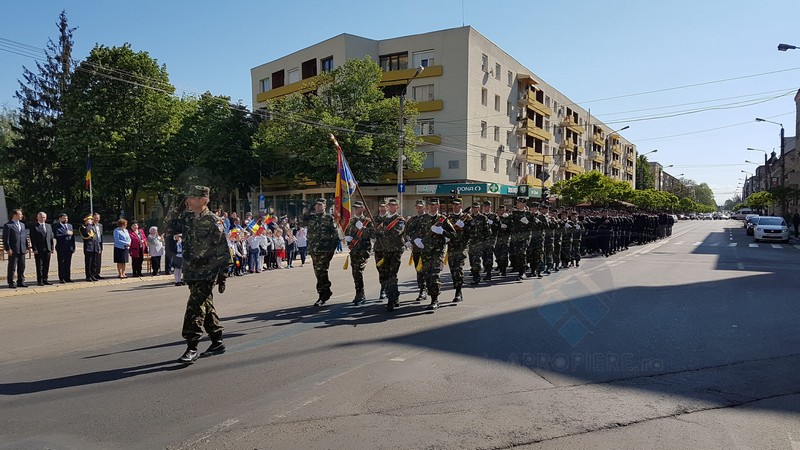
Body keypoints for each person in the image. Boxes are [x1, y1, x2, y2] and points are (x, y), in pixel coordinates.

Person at [174, 185, 232, 364]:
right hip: (191, 270)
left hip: (207, 272)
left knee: (195, 306)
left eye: (192, 197)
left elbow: (223, 249)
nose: (188, 200)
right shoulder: (186, 217)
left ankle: (192, 346)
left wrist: (222, 275)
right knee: (206, 305)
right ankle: (217, 340)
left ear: (204, 200)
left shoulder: (214, 221)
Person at [418, 198, 456, 311]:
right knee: (427, 275)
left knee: (434, 275)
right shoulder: (422, 219)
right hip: (425, 251)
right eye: (430, 205)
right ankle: (430, 294)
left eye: (434, 205)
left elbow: (453, 234)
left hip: (438, 251)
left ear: (438, 206)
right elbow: (413, 231)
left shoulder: (443, 220)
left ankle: (434, 300)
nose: (431, 207)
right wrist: (416, 240)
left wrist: (442, 232)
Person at [305, 198, 339, 306]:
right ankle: (326, 291)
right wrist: (310, 208)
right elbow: (302, 219)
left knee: (322, 271)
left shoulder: (329, 218)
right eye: (316, 205)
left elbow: (335, 235)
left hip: (325, 250)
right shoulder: (311, 217)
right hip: (314, 250)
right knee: (318, 272)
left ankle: (322, 294)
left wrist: (331, 250)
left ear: (324, 206)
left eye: (320, 205)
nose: (318, 206)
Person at [375, 198, 405, 311]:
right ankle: (395, 295)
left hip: (396, 251)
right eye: (390, 205)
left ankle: (391, 300)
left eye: (394, 205)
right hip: (385, 251)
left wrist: (381, 231)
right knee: (386, 275)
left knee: (392, 275)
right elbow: (375, 232)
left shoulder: (399, 220)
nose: (391, 207)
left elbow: (397, 233)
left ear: (397, 207)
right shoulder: (384, 220)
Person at [344, 200, 374, 304]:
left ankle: (360, 294)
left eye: (358, 207)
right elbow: (348, 233)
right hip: (354, 249)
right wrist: (347, 239)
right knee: (355, 271)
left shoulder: (368, 221)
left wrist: (364, 229)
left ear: (363, 209)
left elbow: (373, 235)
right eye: (355, 207)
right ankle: (360, 293)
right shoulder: (351, 221)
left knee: (358, 270)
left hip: (364, 249)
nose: (355, 209)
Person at [446, 198, 472, 302]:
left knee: (458, 268)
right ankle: (456, 285)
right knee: (453, 269)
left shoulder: (467, 218)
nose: (454, 207)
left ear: (461, 206)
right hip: (451, 247)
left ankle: (458, 292)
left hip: (462, 247)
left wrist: (465, 227)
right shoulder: (449, 218)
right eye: (453, 205)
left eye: (457, 205)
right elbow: (445, 231)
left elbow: (473, 232)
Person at [3, 209, 30, 288]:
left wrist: (27, 247)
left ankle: (21, 281)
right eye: (20, 214)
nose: (21, 216)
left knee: (22, 266)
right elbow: (6, 239)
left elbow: (24, 237)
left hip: (22, 249)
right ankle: (11, 282)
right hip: (13, 249)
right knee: (12, 267)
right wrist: (8, 249)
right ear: (15, 215)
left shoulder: (22, 225)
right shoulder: (8, 225)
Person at [30, 211, 55, 286]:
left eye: (44, 217)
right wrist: (34, 249)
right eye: (41, 217)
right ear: (37, 217)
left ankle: (45, 279)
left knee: (46, 265)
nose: (42, 218)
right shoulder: (34, 226)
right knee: (39, 265)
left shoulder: (48, 226)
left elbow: (51, 237)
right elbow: (33, 239)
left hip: (47, 249)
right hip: (39, 249)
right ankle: (40, 280)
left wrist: (52, 248)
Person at [53, 213, 75, 283]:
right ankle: (61, 278)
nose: (65, 220)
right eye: (64, 218)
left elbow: (72, 237)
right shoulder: (56, 226)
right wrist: (66, 234)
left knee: (68, 263)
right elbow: (56, 236)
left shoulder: (70, 226)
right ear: (60, 219)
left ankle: (67, 277)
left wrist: (73, 246)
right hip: (61, 248)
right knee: (61, 263)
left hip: (69, 247)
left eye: (66, 218)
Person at [79, 214, 101, 282]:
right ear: (86, 220)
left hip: (94, 247)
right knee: (88, 263)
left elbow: (96, 238)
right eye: (90, 220)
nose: (92, 221)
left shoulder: (93, 227)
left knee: (94, 263)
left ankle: (93, 275)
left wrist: (98, 247)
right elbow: (86, 235)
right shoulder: (83, 227)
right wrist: (88, 225)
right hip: (88, 247)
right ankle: (88, 276)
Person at [92, 213, 104, 279]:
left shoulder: (100, 225)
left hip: (99, 243)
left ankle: (97, 273)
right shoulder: (91, 225)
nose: (97, 219)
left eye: (98, 218)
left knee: (99, 260)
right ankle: (93, 273)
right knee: (94, 260)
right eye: (95, 218)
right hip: (94, 244)